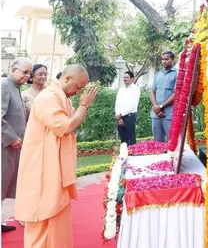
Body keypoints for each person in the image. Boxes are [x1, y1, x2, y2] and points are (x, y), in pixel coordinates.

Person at [15, 64, 99, 247]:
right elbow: (67, 127)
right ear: (67, 78)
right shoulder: (49, 97)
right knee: (42, 219)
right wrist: (84, 106)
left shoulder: (62, 97)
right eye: (77, 87)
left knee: (56, 221)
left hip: (55, 168)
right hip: (43, 169)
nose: (78, 92)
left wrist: (81, 107)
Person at [2, 58, 30, 233]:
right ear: (13, 70)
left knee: (4, 184)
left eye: (29, 73)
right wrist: (12, 137)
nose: (27, 76)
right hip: (4, 145)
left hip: (12, 146)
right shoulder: (4, 85)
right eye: (24, 72)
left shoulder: (16, 88)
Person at [150, 51, 177, 142]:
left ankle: (172, 157)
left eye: (166, 59)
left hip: (169, 114)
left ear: (172, 60)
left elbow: (176, 94)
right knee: (157, 142)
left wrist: (161, 106)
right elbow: (152, 91)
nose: (164, 61)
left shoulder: (177, 73)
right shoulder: (158, 74)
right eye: (162, 59)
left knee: (172, 141)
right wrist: (155, 108)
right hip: (156, 114)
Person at [115, 70, 140, 146]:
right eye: (124, 77)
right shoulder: (121, 89)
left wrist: (121, 114)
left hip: (130, 116)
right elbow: (117, 103)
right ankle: (124, 155)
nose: (125, 79)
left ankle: (133, 156)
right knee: (123, 139)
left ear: (132, 79)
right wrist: (118, 116)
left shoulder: (135, 89)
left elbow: (132, 104)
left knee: (131, 138)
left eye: (127, 77)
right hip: (120, 117)